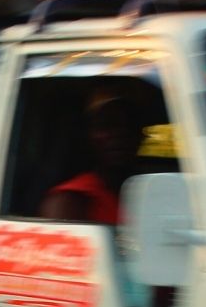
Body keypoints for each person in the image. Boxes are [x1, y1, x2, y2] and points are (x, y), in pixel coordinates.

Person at [40, 92, 143, 224]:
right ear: (88, 136)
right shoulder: (69, 201)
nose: (120, 133)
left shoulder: (148, 193)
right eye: (107, 125)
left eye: (130, 126)